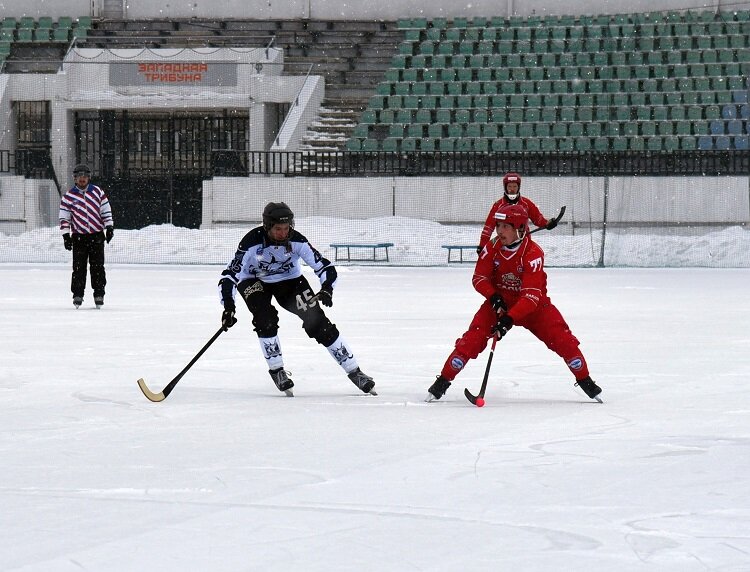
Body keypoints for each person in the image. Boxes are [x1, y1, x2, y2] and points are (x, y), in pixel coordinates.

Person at [427, 202, 601, 403]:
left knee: (563, 339)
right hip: (500, 304)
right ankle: (443, 381)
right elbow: (479, 278)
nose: (499, 231)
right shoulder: (492, 247)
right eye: (498, 226)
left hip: (534, 308)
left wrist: (508, 320)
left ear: (519, 229)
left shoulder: (533, 253)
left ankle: (585, 380)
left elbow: (530, 297)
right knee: (472, 339)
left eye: (505, 226)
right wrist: (493, 297)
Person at [218, 201, 376, 397]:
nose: (283, 234)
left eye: (287, 228)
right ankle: (277, 370)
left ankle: (355, 371)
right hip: (253, 280)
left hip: (289, 282)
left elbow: (325, 267)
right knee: (265, 318)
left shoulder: (298, 241)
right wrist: (228, 306)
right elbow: (228, 276)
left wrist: (327, 289)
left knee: (317, 322)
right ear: (267, 226)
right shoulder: (251, 243)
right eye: (278, 229)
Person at [59, 164, 114, 309]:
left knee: (97, 266)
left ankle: (99, 293)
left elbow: (105, 210)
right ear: (75, 179)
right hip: (79, 238)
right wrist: (66, 235)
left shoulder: (98, 192)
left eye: (84, 177)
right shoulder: (68, 197)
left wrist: (109, 227)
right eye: (79, 177)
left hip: (96, 236)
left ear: (88, 177)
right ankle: (78, 294)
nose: (82, 179)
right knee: (79, 268)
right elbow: (64, 218)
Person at [476, 172, 557, 254]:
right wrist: (482, 245)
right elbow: (488, 227)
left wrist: (548, 223)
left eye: (515, 186)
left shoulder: (526, 203)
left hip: (524, 245)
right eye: (509, 186)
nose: (512, 189)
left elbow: (538, 219)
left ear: (518, 187)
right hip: (505, 246)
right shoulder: (498, 205)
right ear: (505, 187)